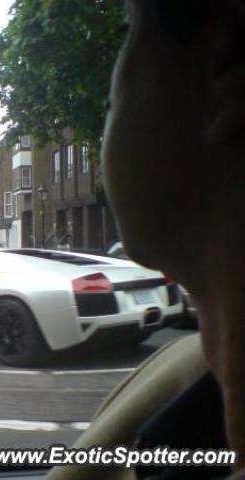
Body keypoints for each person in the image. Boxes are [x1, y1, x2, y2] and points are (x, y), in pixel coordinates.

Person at [102, 0, 245, 474]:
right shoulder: (190, 382)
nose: (109, 96)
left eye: (127, 33)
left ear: (218, 71)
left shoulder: (171, 380)